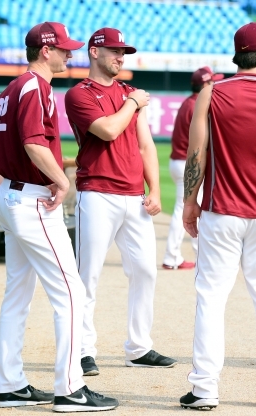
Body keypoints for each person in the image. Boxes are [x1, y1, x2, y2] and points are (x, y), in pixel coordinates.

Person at [0, 22, 118, 412]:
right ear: (45, 51)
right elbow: (34, 143)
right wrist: (59, 180)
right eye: (64, 50)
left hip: (14, 196)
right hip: (34, 201)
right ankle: (70, 389)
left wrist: (9, 169)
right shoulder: (35, 87)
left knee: (17, 295)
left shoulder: (11, 88)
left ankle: (11, 385)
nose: (70, 54)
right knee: (71, 293)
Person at [179, 22, 256, 410]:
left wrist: (188, 201)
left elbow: (195, 153)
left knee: (211, 299)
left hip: (221, 212)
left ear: (238, 55)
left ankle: (204, 389)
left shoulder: (212, 92)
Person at [65, 27, 176, 377]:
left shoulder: (130, 93)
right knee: (87, 276)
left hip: (133, 196)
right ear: (94, 52)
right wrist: (132, 103)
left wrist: (154, 189)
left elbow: (145, 145)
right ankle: (83, 351)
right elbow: (109, 130)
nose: (120, 57)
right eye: (114, 50)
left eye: (123, 52)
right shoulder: (79, 94)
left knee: (145, 271)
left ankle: (138, 347)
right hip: (96, 192)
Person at [162, 66, 223, 270]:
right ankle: (172, 257)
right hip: (185, 163)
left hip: (178, 161)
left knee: (190, 209)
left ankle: (187, 255)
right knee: (186, 210)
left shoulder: (189, 102)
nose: (215, 83)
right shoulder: (198, 104)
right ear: (205, 84)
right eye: (212, 81)